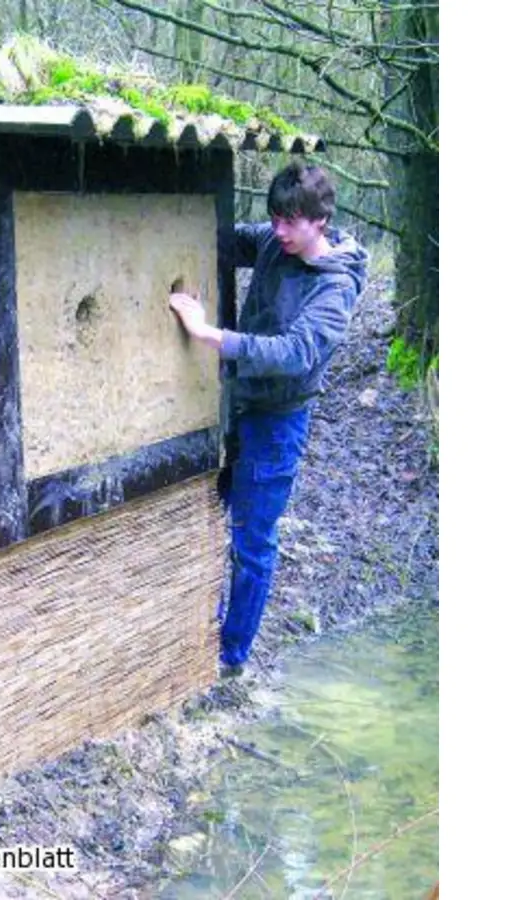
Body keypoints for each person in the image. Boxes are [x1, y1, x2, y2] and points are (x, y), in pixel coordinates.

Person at [167, 160, 370, 678]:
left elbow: (294, 351)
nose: (278, 231)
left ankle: (230, 657)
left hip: (277, 422)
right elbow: (223, 236)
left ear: (320, 220)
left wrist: (206, 333)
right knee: (215, 515)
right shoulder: (274, 242)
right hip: (235, 404)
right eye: (275, 218)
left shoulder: (335, 286)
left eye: (290, 222)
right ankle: (203, 626)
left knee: (253, 541)